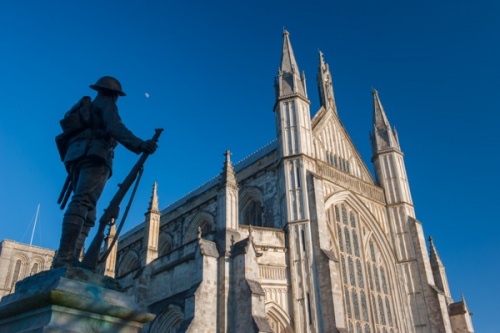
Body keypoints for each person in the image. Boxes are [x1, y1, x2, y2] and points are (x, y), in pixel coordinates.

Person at [53, 76, 157, 268]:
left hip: (76, 156)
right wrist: (140, 144)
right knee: (83, 201)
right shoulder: (105, 103)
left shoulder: (89, 107)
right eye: (117, 96)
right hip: (96, 154)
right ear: (114, 94)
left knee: (88, 210)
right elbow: (115, 127)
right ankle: (65, 257)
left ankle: (70, 257)